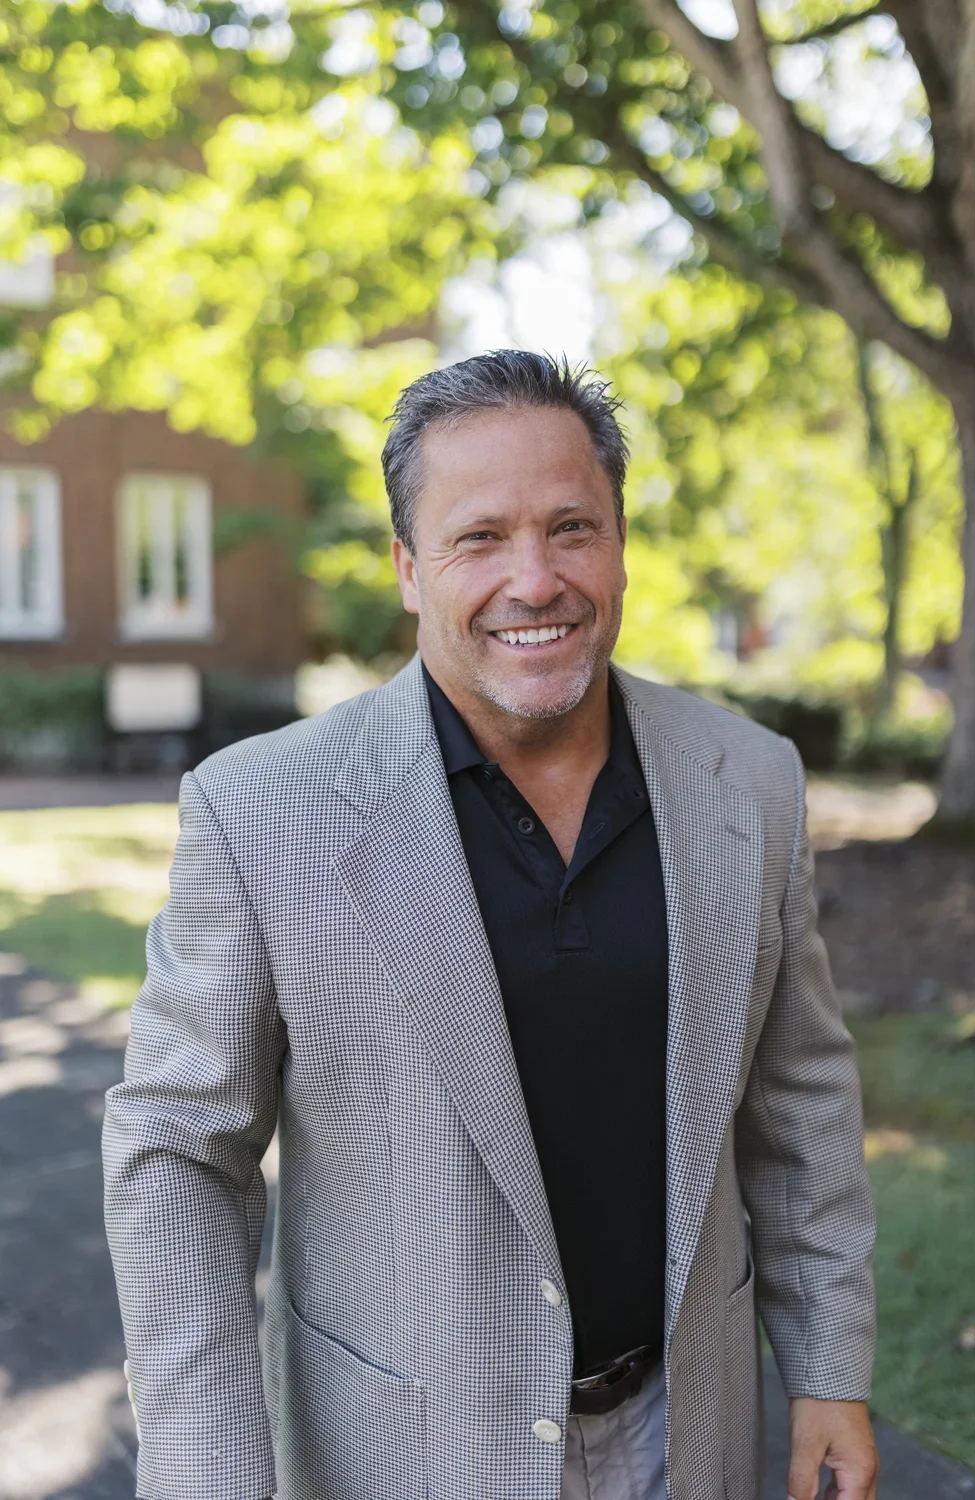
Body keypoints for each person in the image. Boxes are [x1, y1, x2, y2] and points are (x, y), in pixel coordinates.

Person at [103, 350, 878, 1500]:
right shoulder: (260, 810)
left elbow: (799, 1098)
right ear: (409, 568)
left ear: (620, 544)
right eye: (479, 537)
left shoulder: (750, 781)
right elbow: (179, 1157)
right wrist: (208, 1475)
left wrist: (827, 1370)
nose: (535, 579)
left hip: (687, 1432)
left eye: (572, 528)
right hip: (404, 1452)